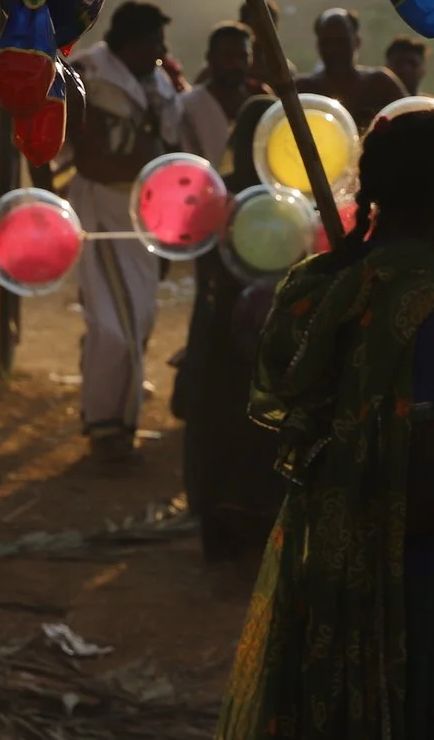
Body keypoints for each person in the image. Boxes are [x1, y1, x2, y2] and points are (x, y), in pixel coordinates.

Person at [219, 105, 434, 740]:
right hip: (416, 604)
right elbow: (419, 503)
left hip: (329, 583)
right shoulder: (426, 308)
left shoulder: (334, 287)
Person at [175, 84, 288, 563]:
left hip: (219, 334)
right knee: (261, 435)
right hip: (269, 341)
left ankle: (218, 530)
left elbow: (206, 275)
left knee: (216, 434)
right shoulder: (284, 200)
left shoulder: (219, 195)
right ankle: (257, 525)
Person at [67, 0, 183, 463]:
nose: (160, 51)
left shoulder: (159, 82)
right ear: (130, 43)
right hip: (103, 211)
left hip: (145, 211)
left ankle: (116, 423)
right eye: (153, 42)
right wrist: (153, 165)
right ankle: (104, 423)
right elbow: (90, 159)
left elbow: (172, 148)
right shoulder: (91, 75)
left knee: (138, 320)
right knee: (117, 327)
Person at [297, 7, 406, 127]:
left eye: (341, 41)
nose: (334, 49)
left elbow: (410, 122)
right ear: (318, 46)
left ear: (357, 41)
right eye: (327, 42)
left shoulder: (381, 85)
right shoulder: (302, 91)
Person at [176, 22, 257, 162]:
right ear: (210, 57)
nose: (237, 64)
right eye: (228, 56)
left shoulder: (258, 100)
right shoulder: (188, 105)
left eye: (243, 56)